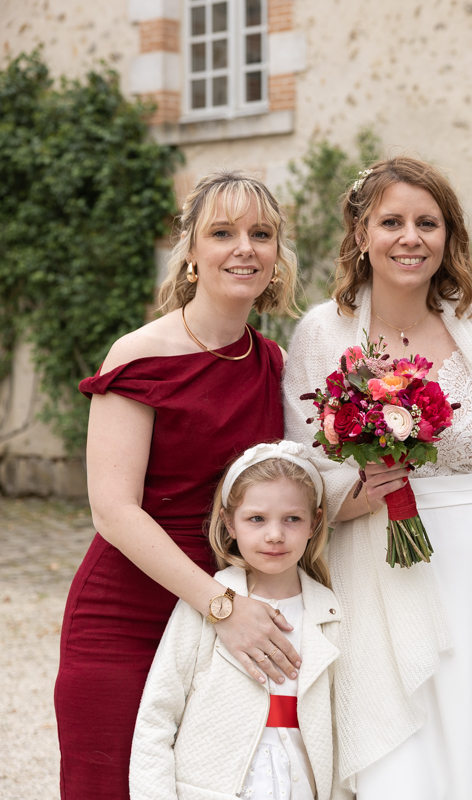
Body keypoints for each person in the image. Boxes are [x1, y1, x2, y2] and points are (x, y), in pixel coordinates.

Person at [282, 156, 472, 799]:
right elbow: (303, 488)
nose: (410, 238)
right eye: (391, 222)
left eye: (428, 223)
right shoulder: (320, 334)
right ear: (361, 234)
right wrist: (366, 490)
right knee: (400, 764)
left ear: (449, 235)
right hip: (376, 575)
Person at [56, 172, 307, 799]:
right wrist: (223, 608)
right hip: (131, 615)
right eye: (222, 233)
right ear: (192, 251)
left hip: (225, 622)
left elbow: (290, 495)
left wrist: (382, 476)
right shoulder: (138, 355)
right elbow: (114, 511)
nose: (244, 248)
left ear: (277, 255)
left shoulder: (274, 364)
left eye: (261, 234)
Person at [130, 441, 347, 800]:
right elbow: (157, 716)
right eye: (256, 519)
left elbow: (342, 728)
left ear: (315, 522)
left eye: (292, 518)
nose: (275, 535)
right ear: (230, 522)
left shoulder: (330, 613)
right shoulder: (203, 605)